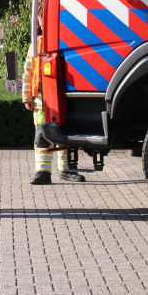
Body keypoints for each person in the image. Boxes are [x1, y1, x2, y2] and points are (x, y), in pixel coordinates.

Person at [23, 15, 86, 184]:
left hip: (62, 96)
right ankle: (42, 173)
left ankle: (67, 170)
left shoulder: (65, 42)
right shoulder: (36, 45)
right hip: (41, 99)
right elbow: (28, 73)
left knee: (65, 132)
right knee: (41, 135)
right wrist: (26, 97)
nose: (44, 26)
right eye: (42, 23)